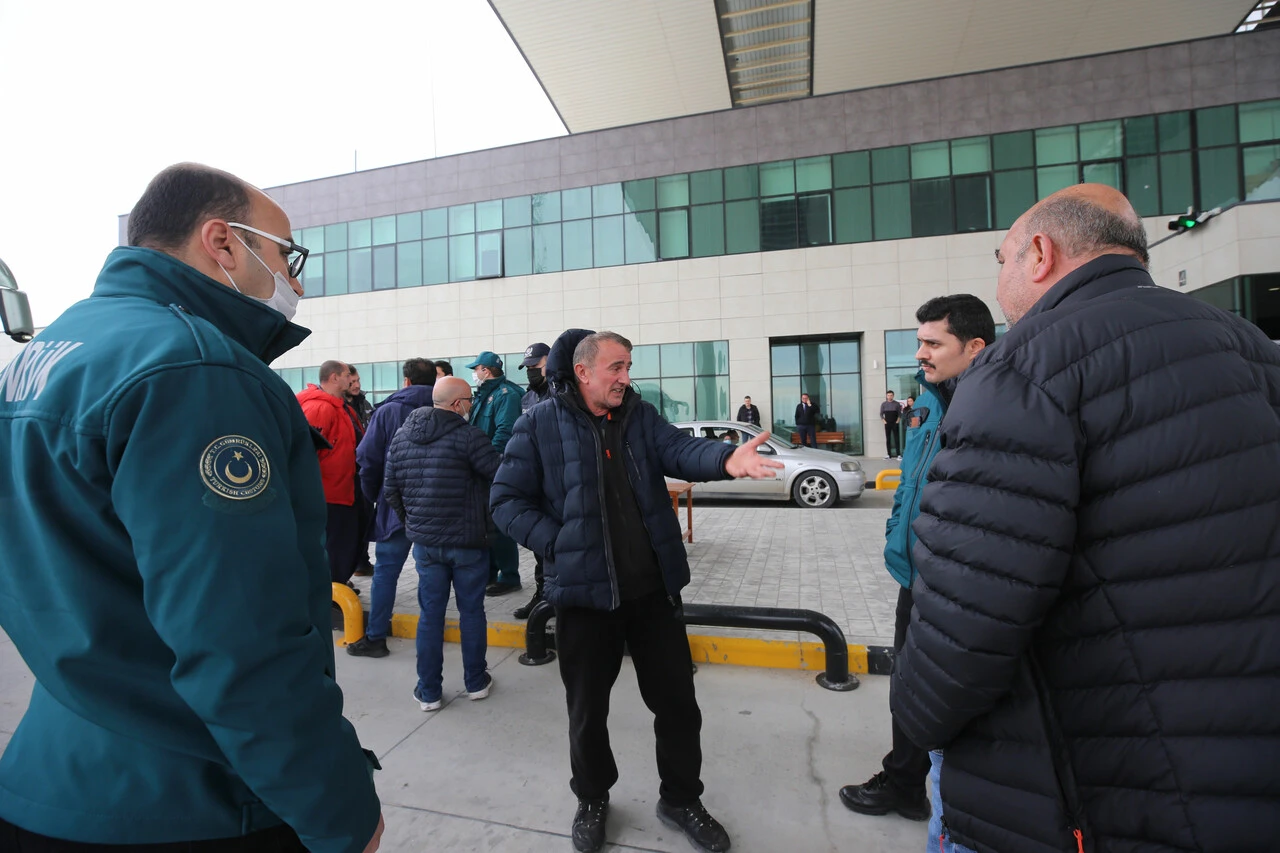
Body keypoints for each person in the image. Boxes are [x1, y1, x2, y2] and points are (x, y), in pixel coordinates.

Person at [0, 163, 383, 852]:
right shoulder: (196, 370)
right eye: (285, 256)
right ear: (222, 242)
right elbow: (242, 640)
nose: (294, 283)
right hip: (190, 799)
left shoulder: (45, 358)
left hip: (52, 774)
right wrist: (340, 809)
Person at [891, 184, 1280, 853]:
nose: (1001, 275)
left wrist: (918, 717)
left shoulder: (1023, 372)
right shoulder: (1247, 345)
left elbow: (967, 618)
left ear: (1040, 253)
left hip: (1086, 780)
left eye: (1003, 257)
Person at [490, 329, 782, 853]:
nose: (626, 377)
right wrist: (557, 544)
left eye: (628, 367)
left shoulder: (639, 417)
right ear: (583, 372)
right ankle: (593, 798)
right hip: (583, 600)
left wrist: (725, 460)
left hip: (652, 595)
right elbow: (506, 500)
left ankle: (681, 798)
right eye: (616, 368)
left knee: (677, 707)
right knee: (587, 711)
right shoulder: (537, 424)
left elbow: (680, 450)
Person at [838, 295, 995, 832]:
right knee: (907, 685)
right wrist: (896, 535)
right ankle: (906, 783)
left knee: (953, 696)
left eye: (933, 343)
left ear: (974, 347)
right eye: (920, 340)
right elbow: (910, 479)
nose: (920, 353)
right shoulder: (927, 401)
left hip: (961, 585)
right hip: (918, 576)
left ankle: (957, 807)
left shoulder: (998, 406)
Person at [383, 377, 501, 711]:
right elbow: (499, 474)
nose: (472, 404)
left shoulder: (402, 437)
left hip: (426, 545)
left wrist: (414, 524)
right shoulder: (469, 437)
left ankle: (429, 691)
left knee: (430, 615)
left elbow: (391, 490)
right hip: (467, 544)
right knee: (471, 613)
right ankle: (476, 682)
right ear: (456, 404)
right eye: (469, 398)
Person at [347, 357, 437, 658]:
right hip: (436, 507)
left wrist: (375, 495)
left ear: (407, 381)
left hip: (394, 506)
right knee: (431, 574)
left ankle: (375, 637)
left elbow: (367, 459)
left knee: (386, 573)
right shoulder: (446, 408)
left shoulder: (387, 412)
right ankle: (431, 632)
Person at [299, 360, 365, 586]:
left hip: (342, 490)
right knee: (335, 546)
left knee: (344, 545)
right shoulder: (320, 408)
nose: (352, 379)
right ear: (335, 378)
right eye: (348, 375)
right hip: (329, 494)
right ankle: (330, 592)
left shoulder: (339, 406)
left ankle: (336, 587)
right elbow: (305, 453)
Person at [466, 351, 525, 596]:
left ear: (486, 370)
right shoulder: (484, 394)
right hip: (481, 468)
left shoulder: (506, 395)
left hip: (494, 468)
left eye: (476, 369)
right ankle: (489, 572)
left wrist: (488, 463)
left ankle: (509, 576)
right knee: (486, 525)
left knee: (499, 525)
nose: (474, 373)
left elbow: (504, 433)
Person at [514, 341, 552, 620]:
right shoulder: (527, 399)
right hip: (534, 480)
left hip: (560, 480)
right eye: (527, 368)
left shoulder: (563, 392)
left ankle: (559, 599)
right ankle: (542, 596)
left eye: (535, 366)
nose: (530, 372)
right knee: (540, 544)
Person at [346, 365, 375, 429]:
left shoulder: (365, 403)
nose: (357, 385)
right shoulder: (339, 407)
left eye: (358, 380)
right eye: (353, 382)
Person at [879, 391, 901, 459]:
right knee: (888, 439)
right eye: (888, 395)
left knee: (896, 438)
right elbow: (881, 414)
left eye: (891, 395)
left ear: (893, 396)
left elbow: (900, 414)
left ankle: (898, 455)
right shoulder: (884, 404)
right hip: (887, 423)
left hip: (895, 423)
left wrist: (897, 421)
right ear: (886, 396)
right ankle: (889, 454)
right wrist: (884, 421)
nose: (890, 397)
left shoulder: (897, 404)